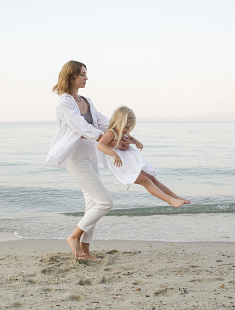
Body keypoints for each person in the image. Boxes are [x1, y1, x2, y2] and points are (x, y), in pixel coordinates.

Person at [46, 60, 113, 261]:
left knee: (92, 203)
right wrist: (104, 138)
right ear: (71, 76)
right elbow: (80, 126)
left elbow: (103, 122)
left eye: (86, 73)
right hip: (76, 158)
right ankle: (74, 236)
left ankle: (85, 251)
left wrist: (120, 131)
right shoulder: (64, 102)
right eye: (82, 74)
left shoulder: (87, 100)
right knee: (105, 202)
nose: (86, 77)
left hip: (91, 154)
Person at [97, 106, 191, 207]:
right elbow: (100, 145)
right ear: (118, 122)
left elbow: (129, 136)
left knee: (152, 178)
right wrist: (113, 154)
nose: (127, 129)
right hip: (121, 164)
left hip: (129, 162)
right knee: (146, 181)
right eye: (126, 126)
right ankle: (169, 200)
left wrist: (136, 141)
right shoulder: (111, 132)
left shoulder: (122, 131)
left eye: (129, 127)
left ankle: (175, 197)